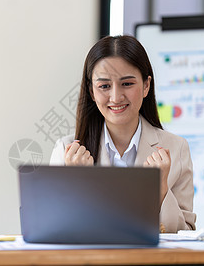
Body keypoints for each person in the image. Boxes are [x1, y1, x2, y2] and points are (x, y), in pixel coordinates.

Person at [50, 35, 196, 233]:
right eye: (104, 86)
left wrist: (160, 188)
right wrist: (79, 182)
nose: (116, 97)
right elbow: (55, 232)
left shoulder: (176, 148)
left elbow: (184, 234)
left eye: (127, 84)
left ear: (146, 86)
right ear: (92, 92)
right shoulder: (67, 152)